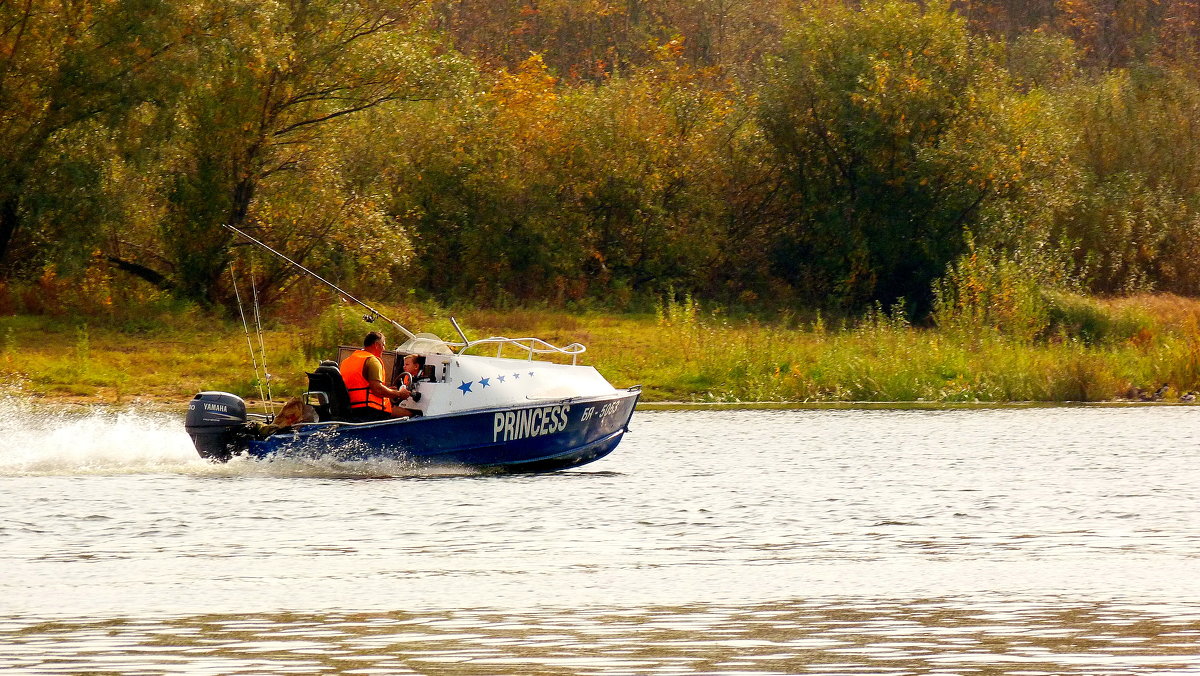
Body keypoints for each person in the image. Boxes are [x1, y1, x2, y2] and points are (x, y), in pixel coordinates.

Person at [339, 331, 413, 419]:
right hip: (370, 410)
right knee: (410, 415)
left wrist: (389, 391)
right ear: (377, 345)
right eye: (383, 345)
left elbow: (362, 385)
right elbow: (377, 389)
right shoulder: (372, 361)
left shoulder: (346, 361)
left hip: (350, 408)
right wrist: (399, 394)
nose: (384, 349)